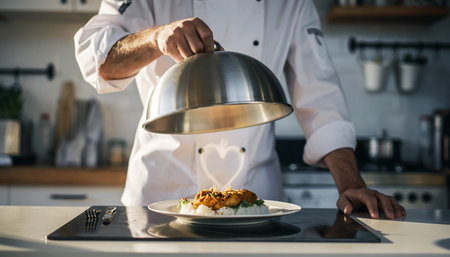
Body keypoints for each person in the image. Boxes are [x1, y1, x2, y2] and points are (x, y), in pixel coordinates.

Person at [74, 0, 405, 219]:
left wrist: (350, 185)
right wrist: (156, 38)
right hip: (159, 196)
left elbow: (321, 98)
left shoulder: (291, 3)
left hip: (257, 203)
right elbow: (99, 61)